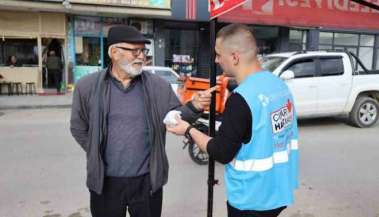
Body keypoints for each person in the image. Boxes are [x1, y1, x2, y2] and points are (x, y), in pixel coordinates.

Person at [70, 25, 214, 217]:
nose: (142, 57)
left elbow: (174, 119)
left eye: (143, 51)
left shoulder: (157, 86)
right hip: (105, 183)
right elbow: (78, 127)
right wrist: (96, 149)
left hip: (147, 182)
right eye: (135, 51)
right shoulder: (87, 87)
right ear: (114, 52)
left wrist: (194, 106)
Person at [167, 24, 299, 217]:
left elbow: (221, 152)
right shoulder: (278, 85)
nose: (216, 59)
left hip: (251, 199)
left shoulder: (241, 99)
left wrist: (189, 130)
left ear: (235, 57)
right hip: (278, 190)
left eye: (219, 54)